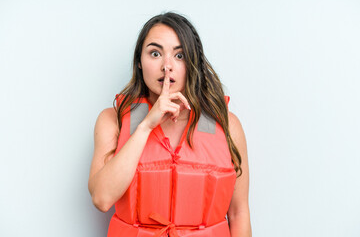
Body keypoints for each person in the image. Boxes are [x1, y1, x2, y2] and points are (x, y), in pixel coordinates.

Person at [88, 12, 252, 237]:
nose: (167, 66)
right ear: (139, 61)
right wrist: (145, 126)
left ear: (193, 62)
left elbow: (238, 213)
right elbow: (102, 198)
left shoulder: (227, 125)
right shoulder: (112, 121)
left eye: (180, 55)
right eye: (155, 53)